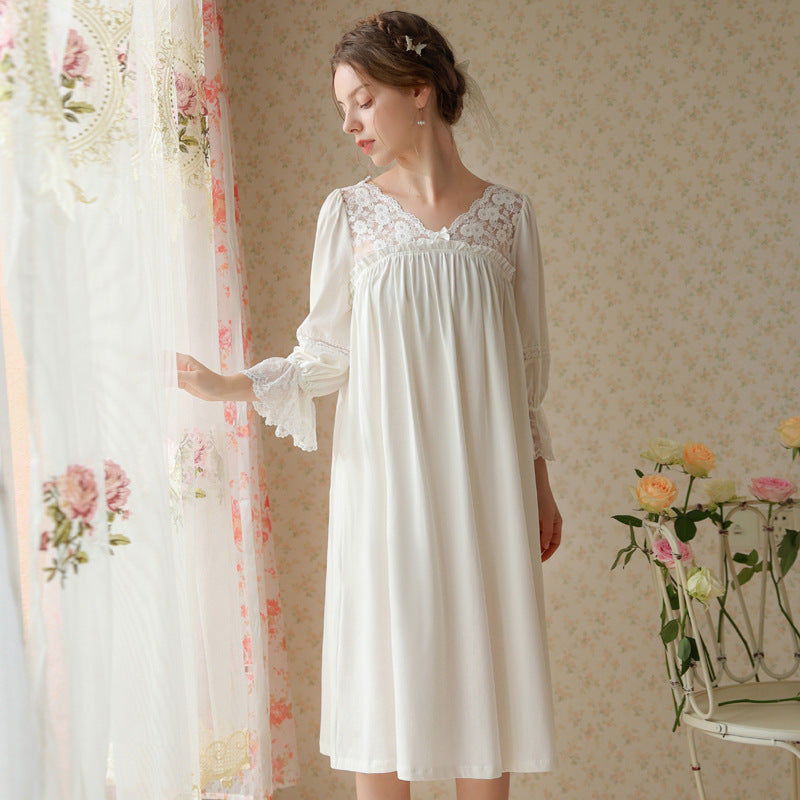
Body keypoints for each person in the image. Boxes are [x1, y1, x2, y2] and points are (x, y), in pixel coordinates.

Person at [178, 11, 561, 800]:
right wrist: (229, 385)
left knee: (481, 679)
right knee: (384, 685)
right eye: (340, 107)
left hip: (484, 492)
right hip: (385, 492)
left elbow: (526, 374)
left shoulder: (507, 219)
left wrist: (540, 482)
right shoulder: (350, 215)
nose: (349, 122)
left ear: (418, 92)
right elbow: (324, 357)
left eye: (361, 100)